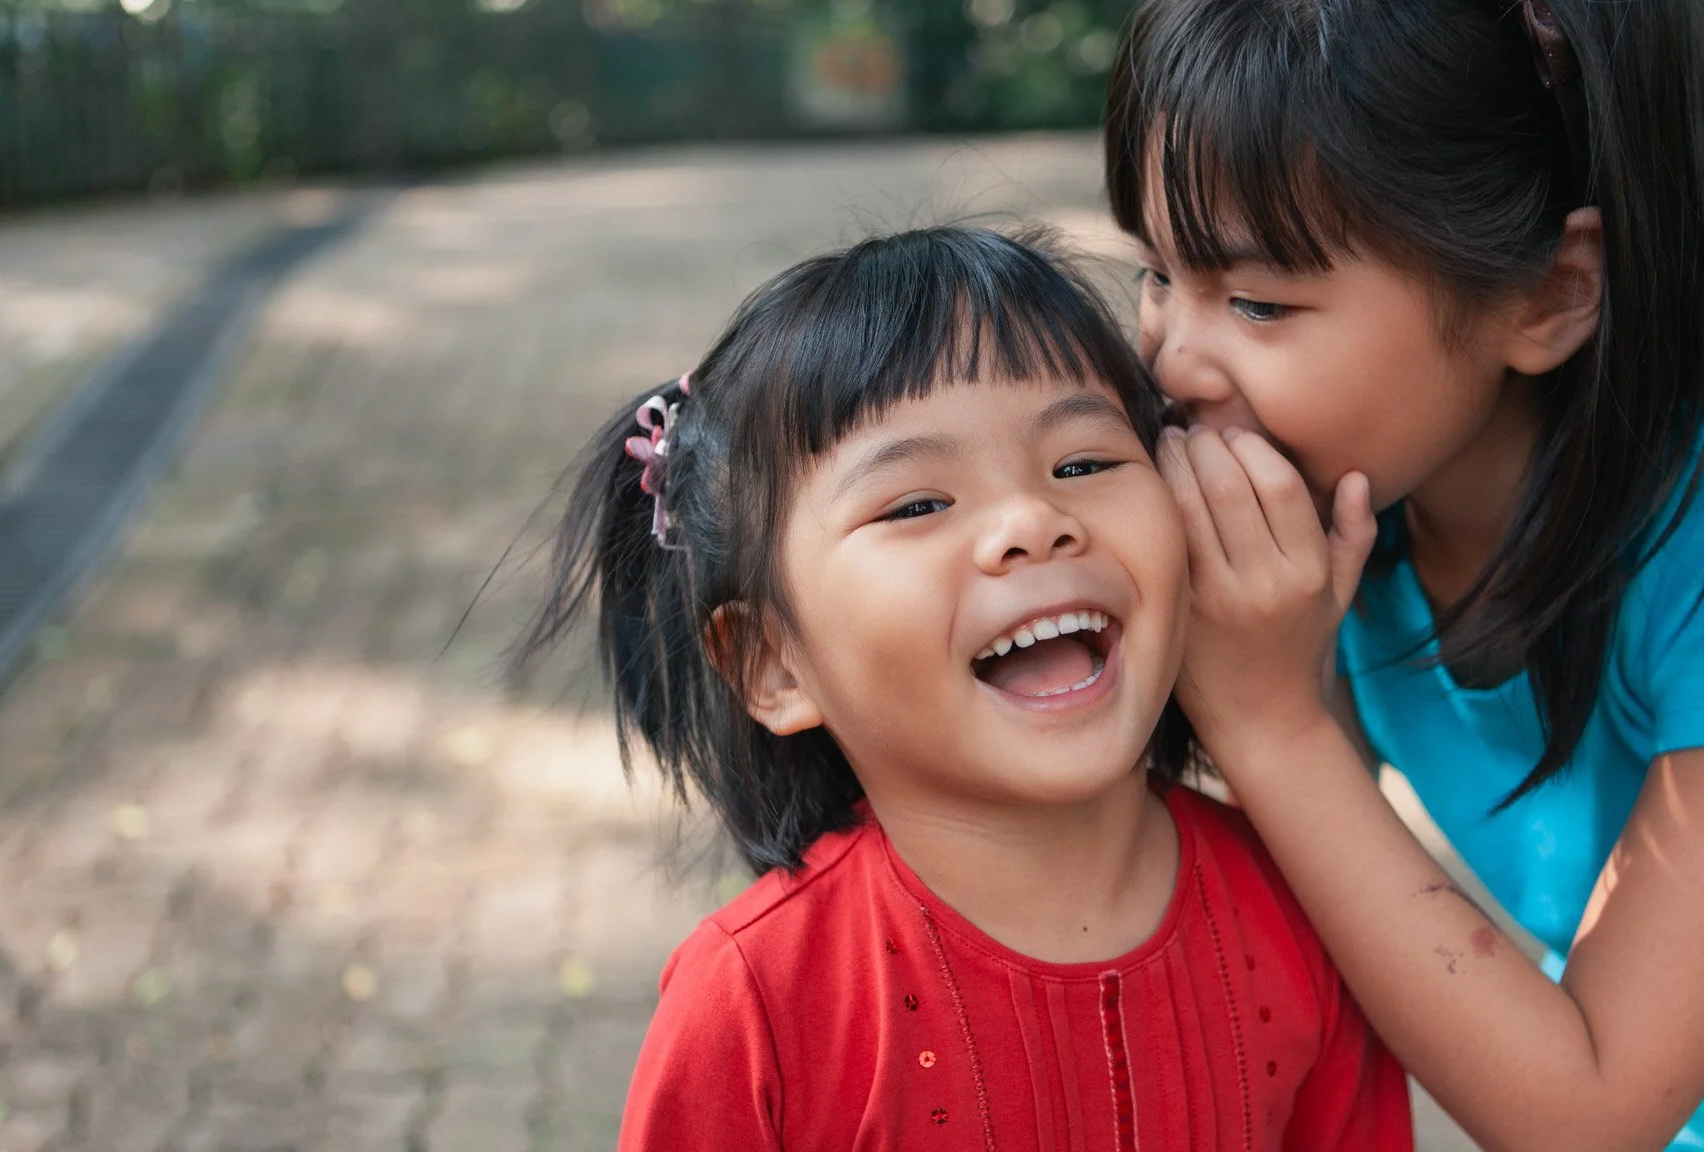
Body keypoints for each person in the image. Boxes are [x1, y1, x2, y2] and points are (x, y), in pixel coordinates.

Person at [1104, 0, 1704, 1149]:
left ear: (1546, 293)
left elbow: (1585, 1115)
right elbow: (1305, 917)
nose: (1169, 360)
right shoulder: (1351, 515)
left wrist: (1271, 719)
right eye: (1154, 273)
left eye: (1256, 301)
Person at [515, 226, 1412, 1150]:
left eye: (1082, 464)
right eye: (916, 504)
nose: (1034, 520)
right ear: (774, 663)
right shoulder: (753, 1005)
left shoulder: (1303, 908)